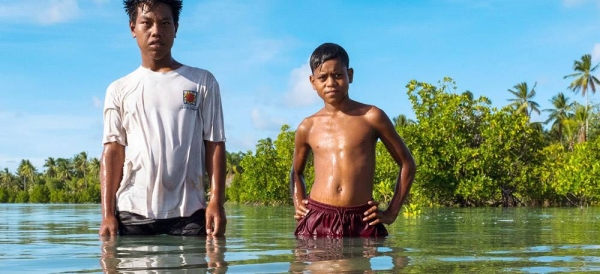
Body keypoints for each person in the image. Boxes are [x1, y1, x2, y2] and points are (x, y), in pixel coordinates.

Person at [99, 0, 227, 237]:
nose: (156, 31)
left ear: (176, 28)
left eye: (165, 23)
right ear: (132, 28)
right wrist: (107, 213)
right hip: (132, 214)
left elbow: (215, 143)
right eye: (146, 23)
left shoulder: (201, 82)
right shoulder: (119, 89)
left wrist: (216, 201)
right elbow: (113, 151)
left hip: (190, 215)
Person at [290, 42, 416, 238]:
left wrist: (392, 212)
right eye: (323, 77)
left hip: (363, 218)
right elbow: (296, 173)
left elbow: (407, 163)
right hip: (318, 217)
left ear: (350, 75)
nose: (330, 83)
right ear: (312, 81)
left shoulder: (371, 116)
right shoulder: (308, 126)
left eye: (338, 75)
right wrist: (299, 204)